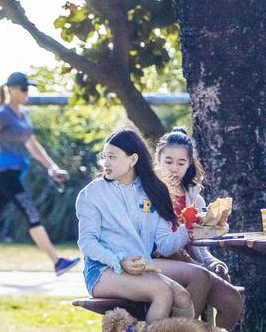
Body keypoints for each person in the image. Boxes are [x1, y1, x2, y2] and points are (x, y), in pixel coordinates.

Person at [77, 129, 196, 323]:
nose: (105, 163)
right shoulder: (91, 194)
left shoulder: (153, 190)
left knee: (182, 299)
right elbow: (87, 243)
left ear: (132, 160)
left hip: (142, 269)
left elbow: (165, 245)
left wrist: (189, 229)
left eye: (112, 157)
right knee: (162, 292)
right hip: (102, 270)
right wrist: (119, 260)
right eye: (104, 157)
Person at [0, 72, 79, 278]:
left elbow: (33, 145)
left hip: (13, 173)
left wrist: (52, 168)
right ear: (12, 89)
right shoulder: (1, 115)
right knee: (31, 213)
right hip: (3, 173)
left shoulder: (23, 114)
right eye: (24, 89)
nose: (28, 92)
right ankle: (57, 262)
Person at [154, 127, 243, 329]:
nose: (174, 168)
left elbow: (199, 240)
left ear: (189, 165)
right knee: (200, 278)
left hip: (191, 260)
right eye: (168, 162)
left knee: (232, 301)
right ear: (157, 160)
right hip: (162, 258)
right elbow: (164, 241)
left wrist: (212, 260)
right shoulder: (150, 194)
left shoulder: (193, 196)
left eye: (181, 163)